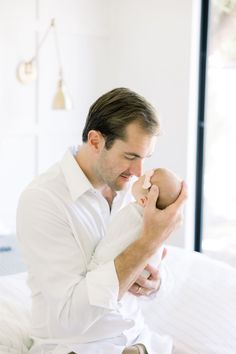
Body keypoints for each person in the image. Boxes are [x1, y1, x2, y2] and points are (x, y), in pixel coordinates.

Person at [16, 87, 187, 354]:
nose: (139, 172)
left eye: (145, 158)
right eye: (131, 156)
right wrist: (149, 240)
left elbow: (163, 281)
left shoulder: (134, 191)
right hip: (76, 347)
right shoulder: (43, 201)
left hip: (138, 339)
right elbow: (71, 319)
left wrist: (156, 282)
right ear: (95, 141)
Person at [89, 167, 182, 280]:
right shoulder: (159, 227)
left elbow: (113, 243)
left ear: (143, 200)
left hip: (108, 275)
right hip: (141, 276)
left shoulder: (132, 214)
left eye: (140, 179)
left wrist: (95, 264)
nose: (138, 175)